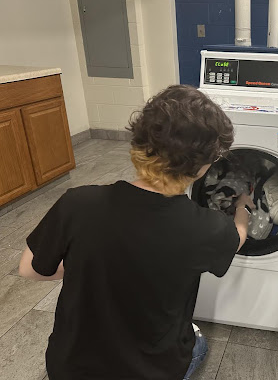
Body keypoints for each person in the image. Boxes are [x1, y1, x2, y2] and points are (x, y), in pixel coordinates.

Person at [18, 85, 255, 380]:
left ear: (138, 143)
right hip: (150, 372)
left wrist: (90, 263)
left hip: (70, 369)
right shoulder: (207, 228)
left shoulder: (78, 202)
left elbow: (29, 269)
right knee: (198, 344)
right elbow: (235, 239)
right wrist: (242, 211)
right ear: (202, 167)